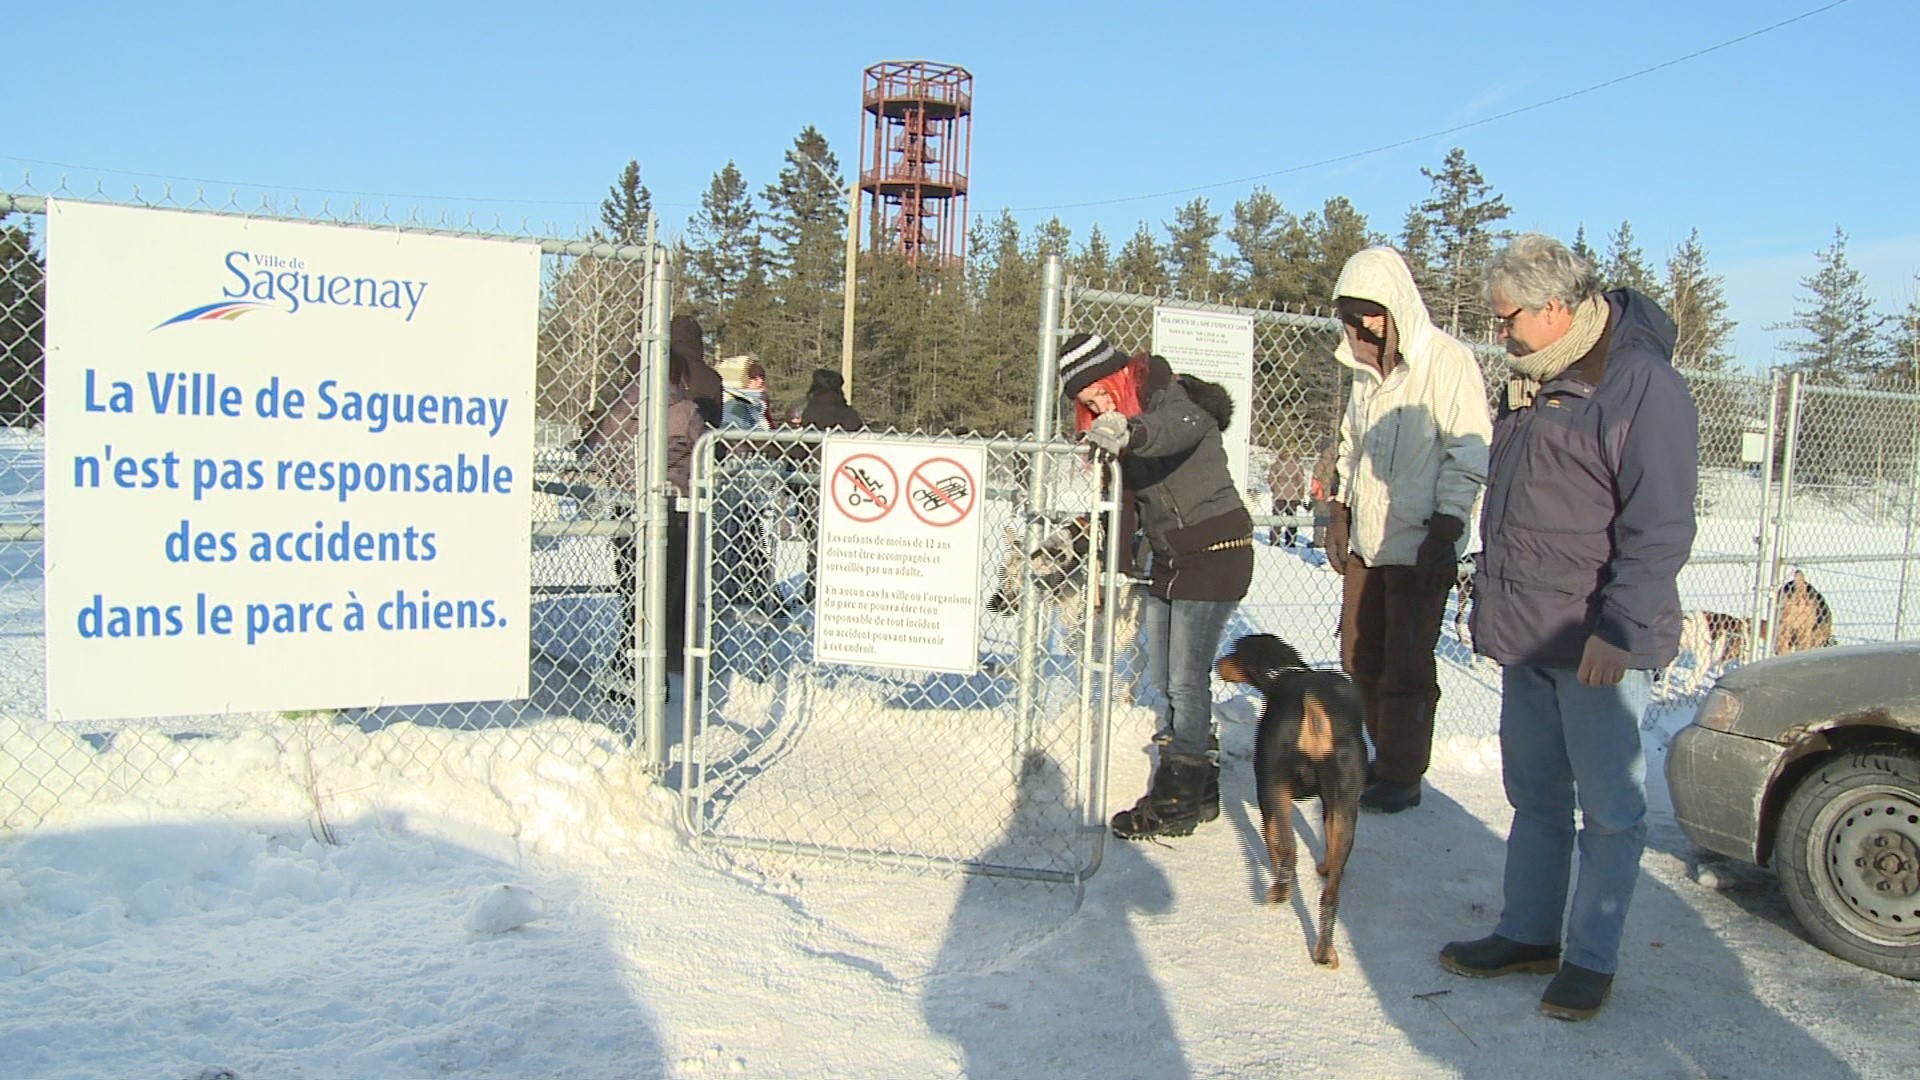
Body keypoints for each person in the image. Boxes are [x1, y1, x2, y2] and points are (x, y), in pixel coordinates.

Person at [1440, 233, 1697, 1022]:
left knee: (1612, 809)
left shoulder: (1641, 386)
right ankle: (1528, 932)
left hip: (1597, 642)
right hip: (1531, 633)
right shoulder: (1533, 380)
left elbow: (1660, 524)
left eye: (1509, 316)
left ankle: (1591, 956)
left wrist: (1617, 629)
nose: (1501, 332)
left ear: (1556, 308)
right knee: (1535, 795)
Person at [1063, 332, 1254, 841]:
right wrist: (1112, 568)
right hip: (1170, 561)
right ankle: (1202, 791)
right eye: (1087, 404)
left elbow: (1175, 431)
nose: (1098, 405)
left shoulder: (1174, 396)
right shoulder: (1118, 430)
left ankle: (1175, 803)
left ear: (1119, 376)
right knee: (1168, 680)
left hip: (1217, 552)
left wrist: (1130, 432)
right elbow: (1124, 508)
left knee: (1186, 681)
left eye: (1100, 392)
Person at [1322, 247, 1492, 814]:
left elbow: (1468, 449)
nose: (1362, 326)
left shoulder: (1447, 362)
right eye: (1352, 315)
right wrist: (1340, 513)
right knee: (1358, 655)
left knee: (1408, 666)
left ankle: (1402, 772)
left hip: (1421, 543)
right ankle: (1383, 751)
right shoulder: (1365, 375)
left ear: (1395, 309)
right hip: (1370, 545)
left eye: (1371, 314)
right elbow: (1352, 444)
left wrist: (1446, 527)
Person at [582, 316, 710, 703]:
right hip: (672, 512)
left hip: (626, 512)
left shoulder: (621, 410)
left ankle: (627, 670)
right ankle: (651, 678)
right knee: (662, 597)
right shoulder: (685, 411)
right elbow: (708, 454)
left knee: (634, 596)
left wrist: (624, 478)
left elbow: (600, 454)